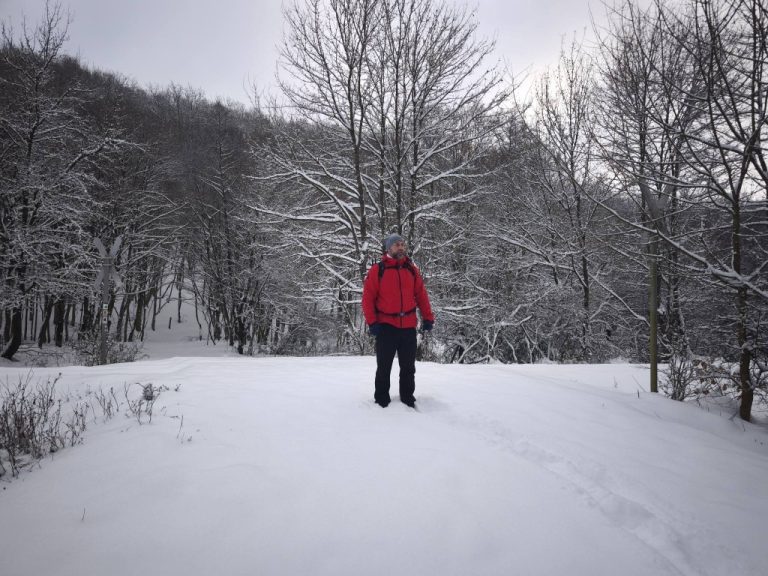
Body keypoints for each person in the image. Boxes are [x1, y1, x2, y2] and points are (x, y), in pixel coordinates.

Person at [362, 233, 434, 408]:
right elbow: (367, 298)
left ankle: (407, 397)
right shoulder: (378, 270)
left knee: (408, 367)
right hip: (386, 326)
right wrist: (372, 322)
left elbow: (421, 295)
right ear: (389, 248)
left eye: (402, 244)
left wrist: (428, 317)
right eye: (397, 245)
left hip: (408, 325)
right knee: (384, 367)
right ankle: (381, 399)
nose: (401, 247)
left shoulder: (411, 269)